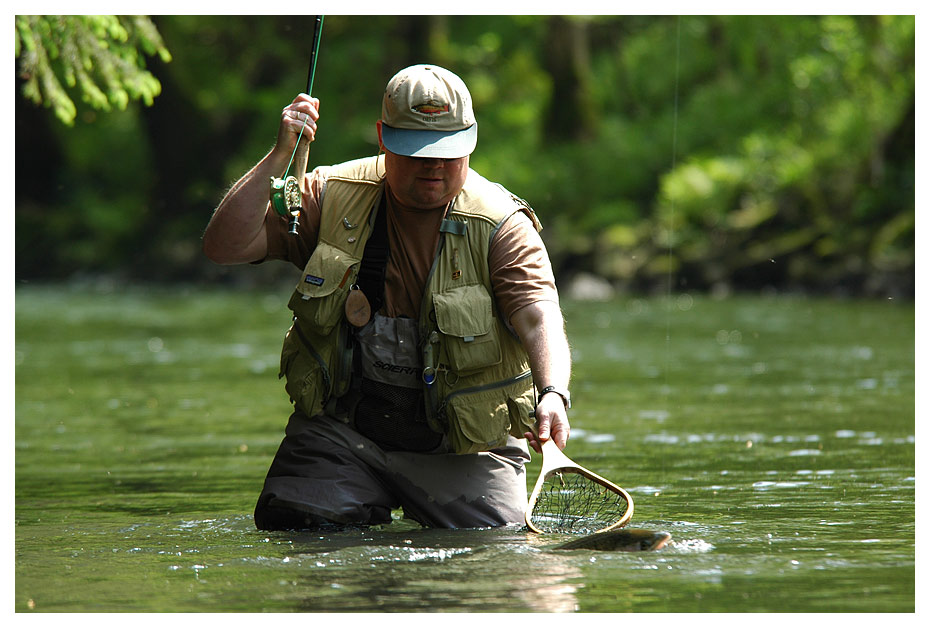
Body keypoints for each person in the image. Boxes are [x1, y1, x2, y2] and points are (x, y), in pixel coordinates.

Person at [203, 64, 572, 530]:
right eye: (417, 151)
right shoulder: (332, 196)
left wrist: (554, 393)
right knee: (296, 524)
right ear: (383, 137)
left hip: (464, 449)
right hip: (345, 435)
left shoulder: (502, 226)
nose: (433, 166)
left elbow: (540, 319)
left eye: (447, 151)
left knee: (488, 560)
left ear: (472, 140)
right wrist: (279, 156)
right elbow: (224, 247)